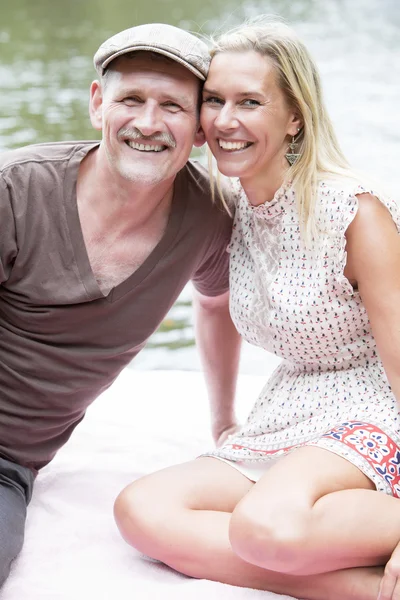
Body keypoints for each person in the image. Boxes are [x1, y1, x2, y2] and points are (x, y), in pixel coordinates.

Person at [113, 17, 400, 600]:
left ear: (294, 115)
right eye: (213, 101)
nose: (224, 121)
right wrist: (224, 420)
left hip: (374, 406)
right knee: (142, 510)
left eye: (249, 101)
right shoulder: (225, 209)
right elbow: (214, 305)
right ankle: (367, 589)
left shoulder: (356, 213)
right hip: (287, 410)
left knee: (265, 527)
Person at [0, 23, 242, 588]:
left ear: (202, 129)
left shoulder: (208, 218)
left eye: (173, 106)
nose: (148, 123)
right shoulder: (16, 191)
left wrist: (224, 421)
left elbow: (218, 302)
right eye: (131, 99)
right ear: (96, 104)